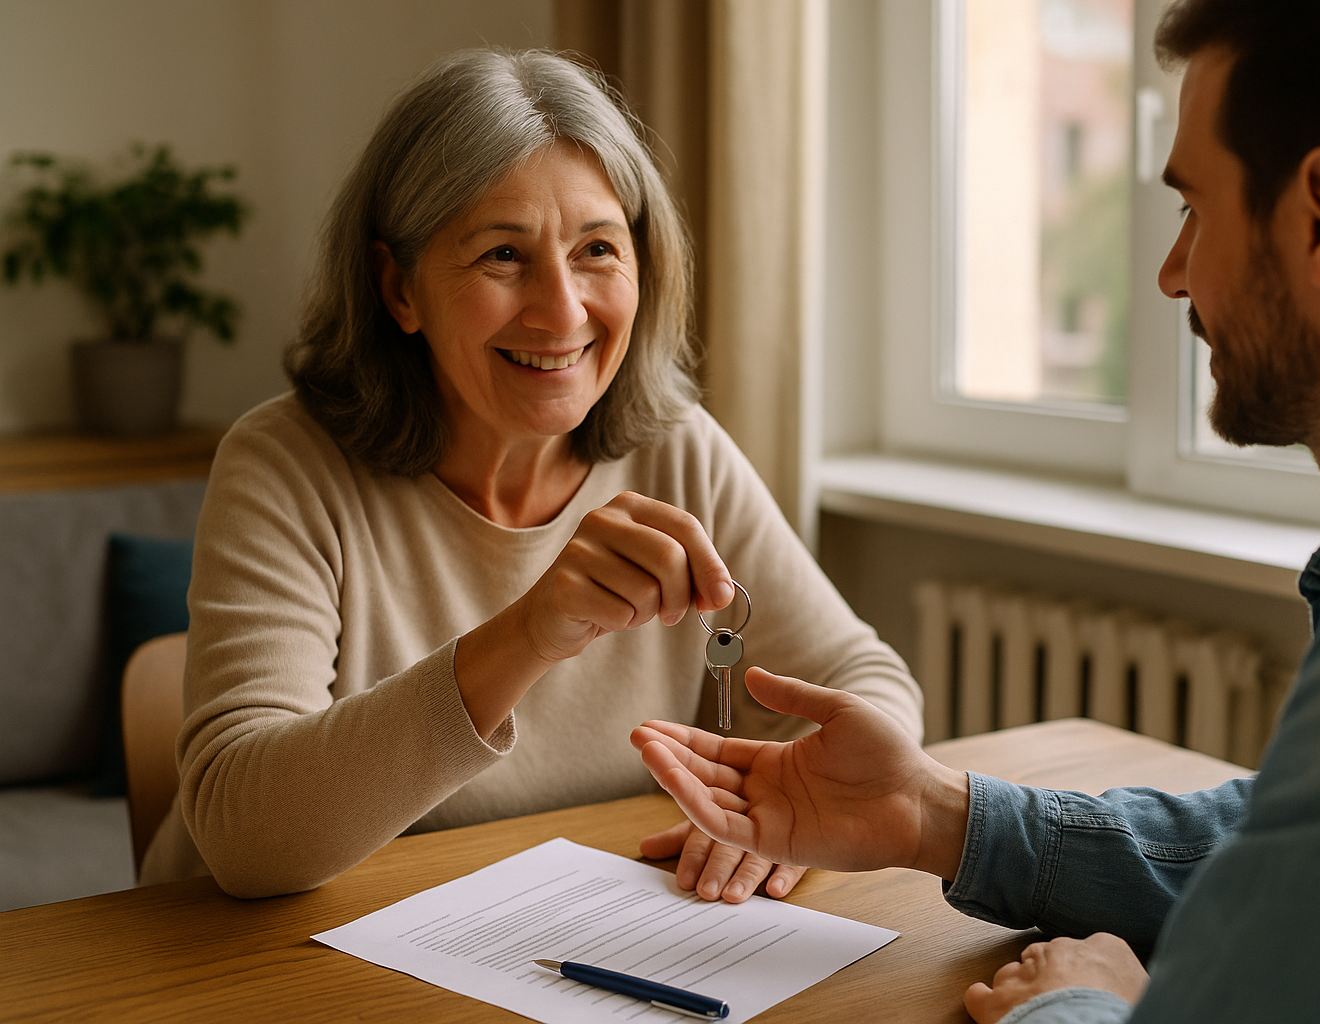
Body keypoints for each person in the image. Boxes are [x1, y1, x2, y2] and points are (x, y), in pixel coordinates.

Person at [632, 1, 1320, 1020]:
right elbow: (1303, 844)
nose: (1171, 273)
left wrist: (1083, 1005)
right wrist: (933, 813)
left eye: (1195, 209)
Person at [139, 49, 922, 900]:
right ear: (399, 289)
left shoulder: (678, 449)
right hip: (265, 947)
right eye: (504, 255)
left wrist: (792, 814)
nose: (562, 310)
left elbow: (865, 682)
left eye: (597, 249)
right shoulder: (284, 465)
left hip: (569, 926)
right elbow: (245, 841)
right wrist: (530, 633)